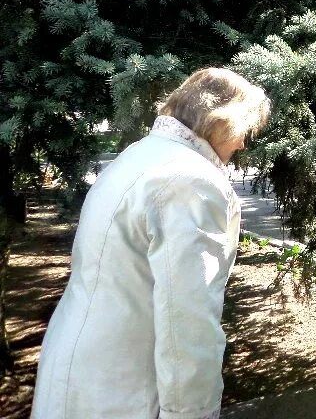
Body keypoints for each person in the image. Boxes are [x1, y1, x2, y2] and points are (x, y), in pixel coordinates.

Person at [30, 67, 270, 419]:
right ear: (223, 121)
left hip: (76, 370)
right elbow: (188, 323)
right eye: (244, 131)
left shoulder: (141, 154)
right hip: (124, 390)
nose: (242, 144)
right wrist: (192, 413)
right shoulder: (190, 182)